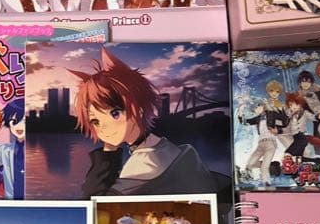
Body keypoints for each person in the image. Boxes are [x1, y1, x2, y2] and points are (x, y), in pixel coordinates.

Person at [72, 47, 222, 199]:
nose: (104, 127)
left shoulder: (144, 162)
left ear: (139, 109)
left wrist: (108, 151)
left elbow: (94, 203)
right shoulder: (165, 146)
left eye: (115, 113)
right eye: (95, 121)